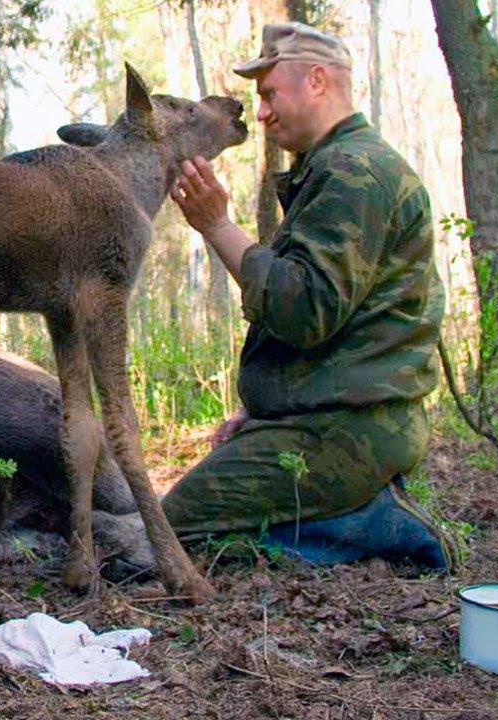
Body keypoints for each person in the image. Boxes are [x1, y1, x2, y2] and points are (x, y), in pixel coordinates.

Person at [161, 22, 453, 570]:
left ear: (317, 80)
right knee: (173, 525)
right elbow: (346, 327)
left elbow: (303, 311)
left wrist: (216, 225)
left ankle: (371, 526)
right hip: (334, 419)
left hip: (350, 432)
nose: (263, 113)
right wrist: (268, 410)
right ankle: (342, 508)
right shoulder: (337, 167)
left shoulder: (354, 172)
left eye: (270, 95)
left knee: (166, 535)